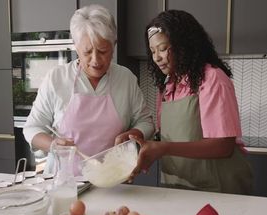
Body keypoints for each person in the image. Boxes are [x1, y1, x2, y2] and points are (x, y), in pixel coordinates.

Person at [129, 10, 252, 194]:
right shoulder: (167, 86)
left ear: (183, 45)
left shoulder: (212, 79)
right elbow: (171, 136)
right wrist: (141, 145)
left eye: (162, 49)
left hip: (218, 189)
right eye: (153, 51)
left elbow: (223, 146)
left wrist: (163, 148)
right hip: (178, 187)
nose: (156, 58)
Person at [23, 4, 154, 175]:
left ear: (113, 45)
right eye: (87, 52)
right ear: (76, 46)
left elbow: (146, 122)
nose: (96, 60)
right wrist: (53, 145)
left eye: (103, 51)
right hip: (65, 182)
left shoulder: (125, 79)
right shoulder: (56, 79)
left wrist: (133, 134)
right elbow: (32, 128)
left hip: (112, 179)